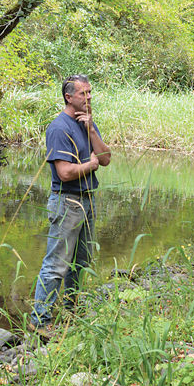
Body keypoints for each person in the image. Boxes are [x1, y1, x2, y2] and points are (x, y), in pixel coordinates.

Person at [31, 74, 111, 327]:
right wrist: (90, 165)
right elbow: (65, 173)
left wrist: (91, 129)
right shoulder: (58, 127)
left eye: (89, 93)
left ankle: (71, 312)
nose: (88, 98)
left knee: (80, 262)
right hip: (67, 202)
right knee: (56, 265)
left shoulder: (87, 122)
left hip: (87, 200)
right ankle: (40, 322)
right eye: (82, 94)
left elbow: (106, 158)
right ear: (69, 97)